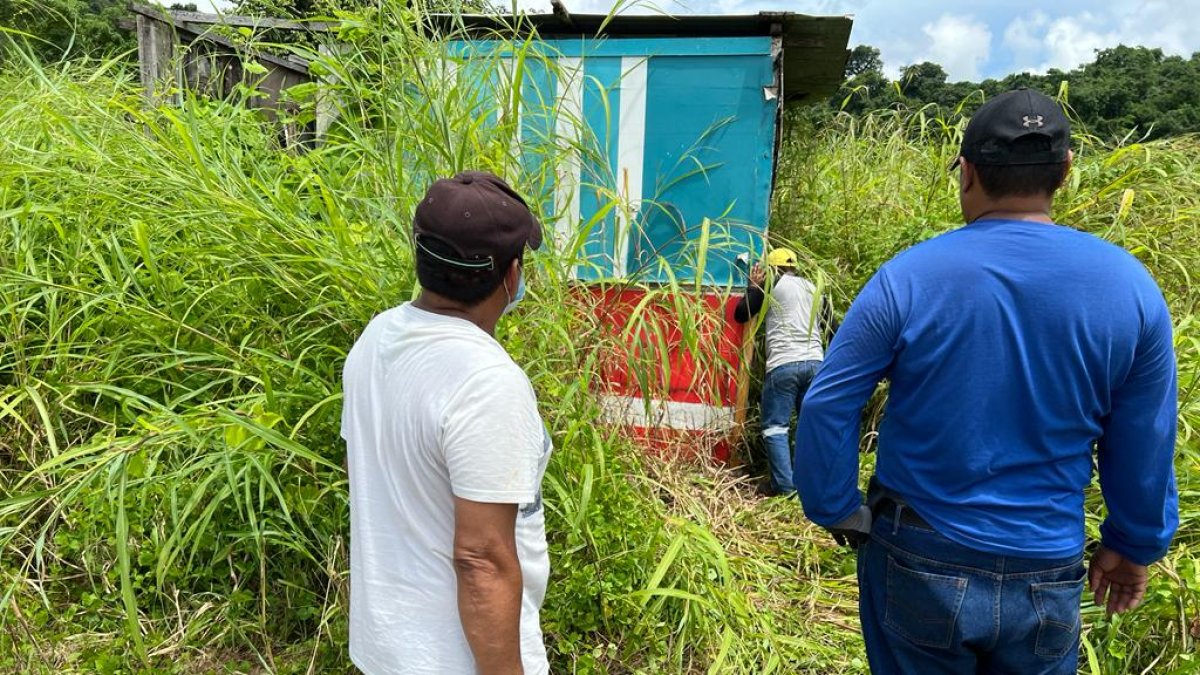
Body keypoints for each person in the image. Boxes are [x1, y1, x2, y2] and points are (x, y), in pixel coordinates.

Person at [794, 88, 1178, 674]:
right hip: (1046, 566)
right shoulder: (1131, 288)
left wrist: (835, 507)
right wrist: (1133, 543)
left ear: (967, 171)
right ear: (1065, 172)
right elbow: (1145, 439)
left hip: (918, 556)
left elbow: (830, 400)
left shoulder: (909, 277)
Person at [341, 171, 552, 675]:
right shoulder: (486, 381)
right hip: (452, 659)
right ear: (512, 275)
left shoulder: (376, 339)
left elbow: (372, 480)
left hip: (385, 649)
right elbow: (481, 559)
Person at [734, 247, 837, 496]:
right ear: (795, 267)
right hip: (815, 363)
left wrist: (753, 287)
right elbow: (833, 329)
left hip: (784, 364)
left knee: (775, 427)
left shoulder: (772, 284)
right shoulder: (814, 289)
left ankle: (785, 487)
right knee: (809, 426)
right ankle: (813, 486)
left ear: (772, 269)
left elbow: (741, 314)